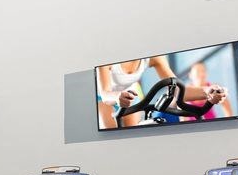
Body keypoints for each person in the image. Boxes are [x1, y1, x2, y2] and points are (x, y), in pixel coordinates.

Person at [96, 55, 228, 129]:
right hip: (105, 96)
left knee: (133, 136)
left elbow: (179, 90)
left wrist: (207, 91)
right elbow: (105, 93)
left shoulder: (153, 57)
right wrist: (117, 97)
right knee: (110, 131)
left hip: (129, 93)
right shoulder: (109, 55)